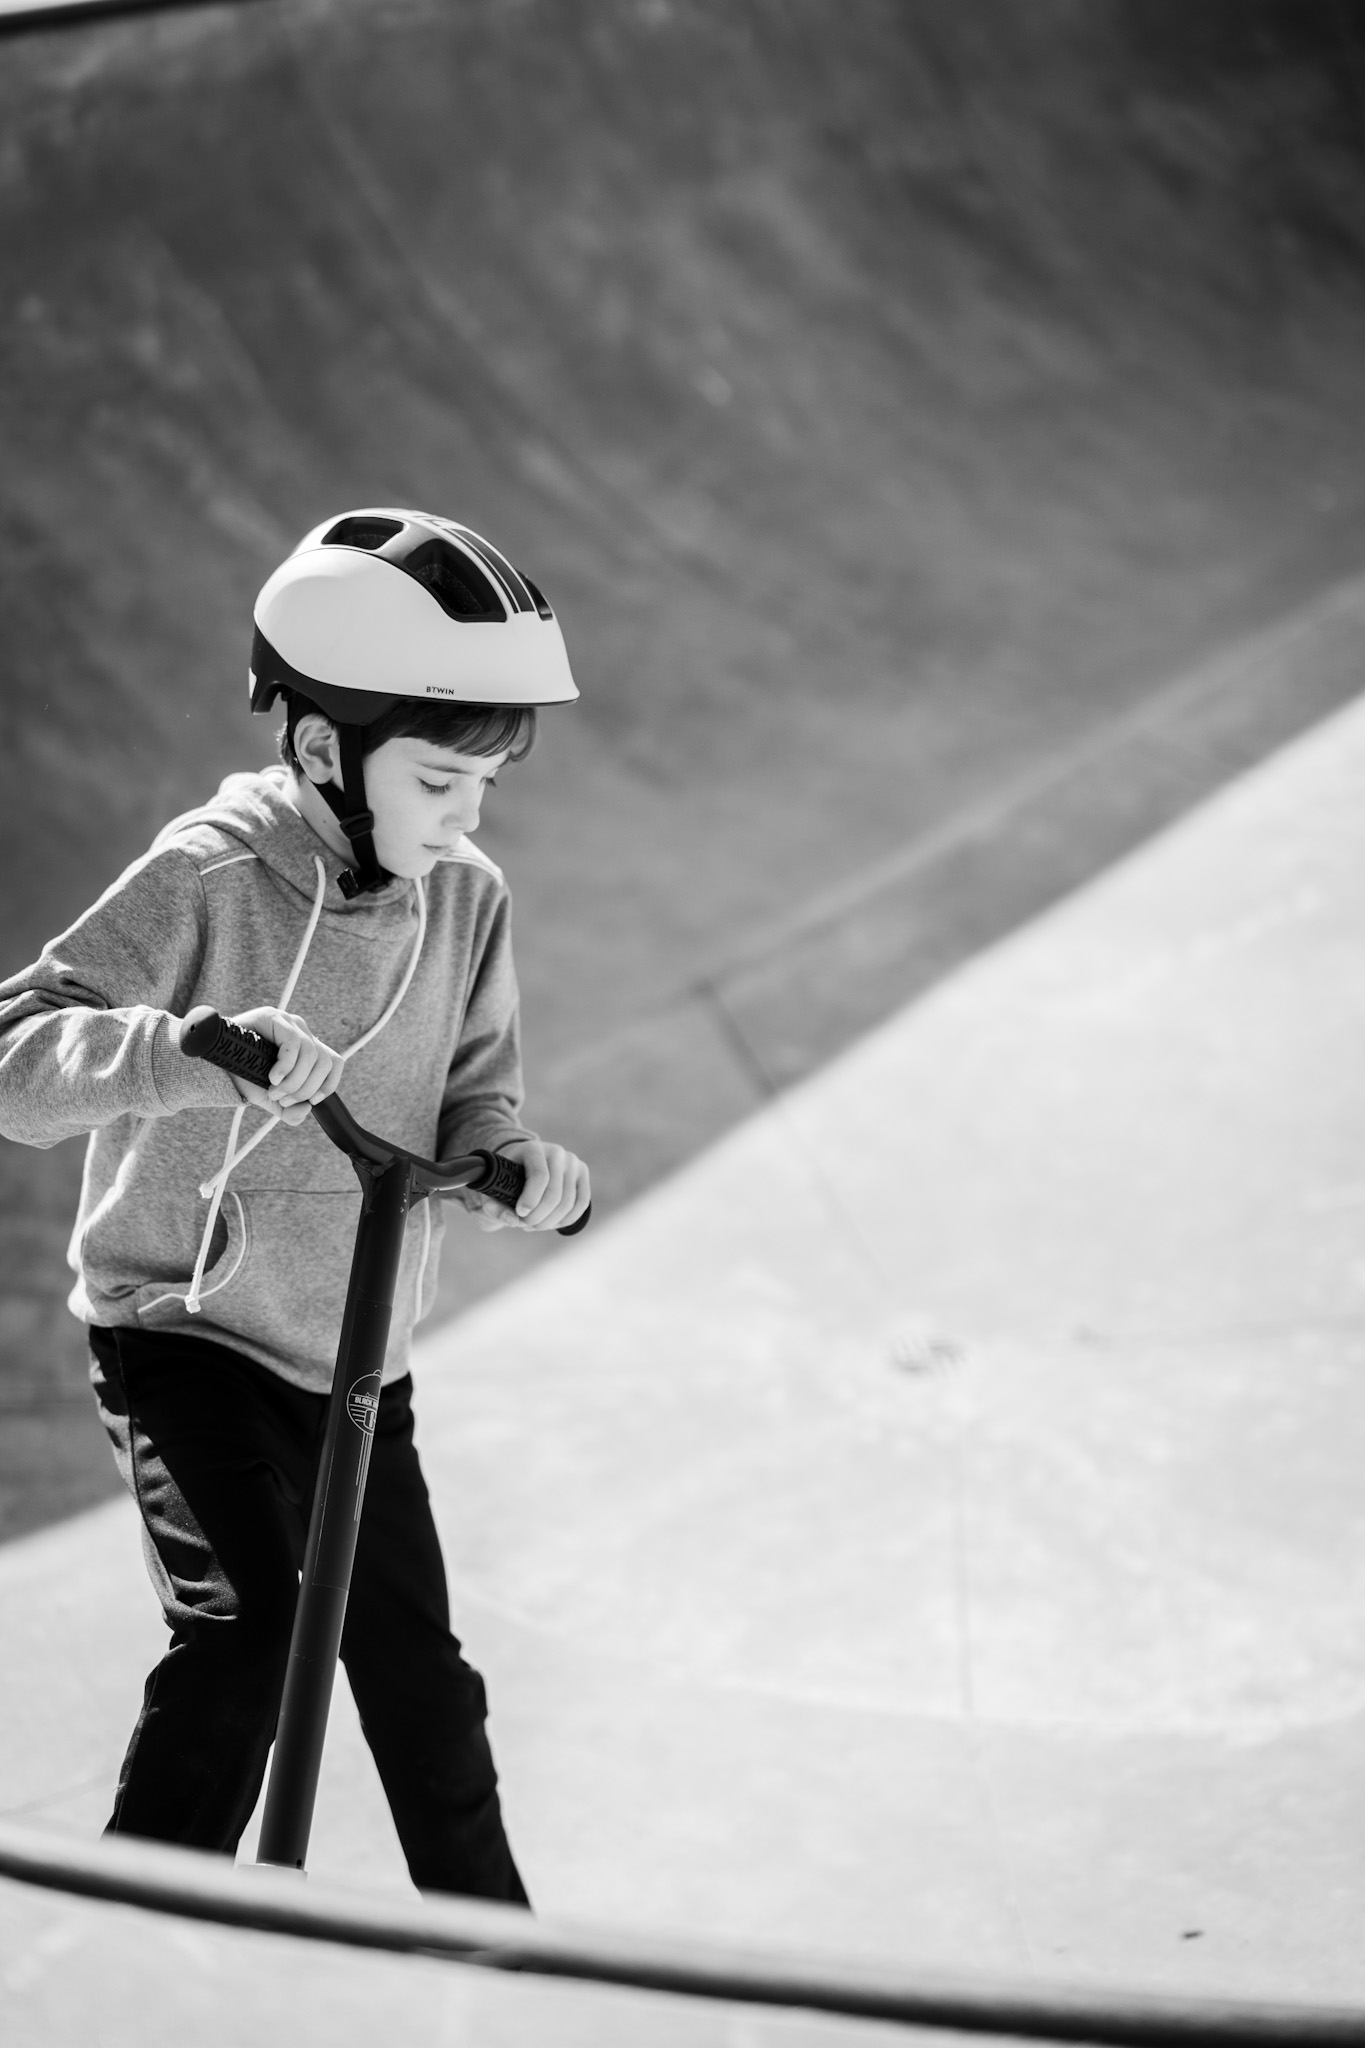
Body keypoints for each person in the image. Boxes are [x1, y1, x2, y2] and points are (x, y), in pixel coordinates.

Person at [0, 508, 591, 1904]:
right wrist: (187, 1048)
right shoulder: (206, 876)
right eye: (441, 779)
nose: (467, 820)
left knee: (422, 1684)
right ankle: (149, 1948)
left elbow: (470, 1103)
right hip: (184, 1335)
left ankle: (496, 1957)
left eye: (484, 789)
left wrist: (512, 1165)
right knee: (253, 1637)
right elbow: (17, 1061)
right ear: (323, 750)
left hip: (355, 1364)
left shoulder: (469, 901)